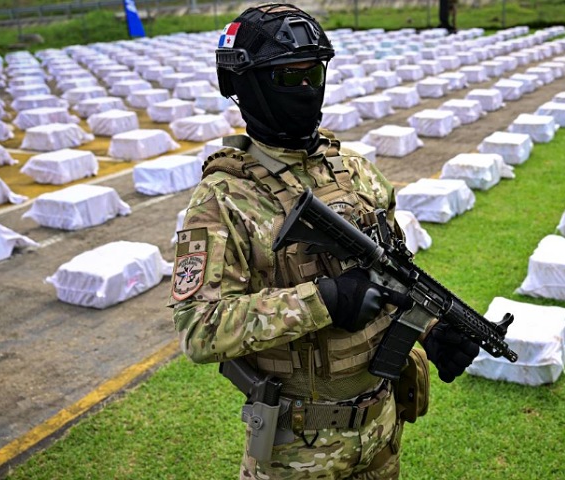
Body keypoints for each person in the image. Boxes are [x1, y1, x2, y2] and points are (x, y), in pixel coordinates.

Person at [169, 4, 479, 478]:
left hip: (380, 428)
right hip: (296, 450)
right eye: (289, 77)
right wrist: (324, 301)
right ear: (247, 85)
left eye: (314, 72)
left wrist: (432, 327)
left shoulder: (355, 173)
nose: (308, 88)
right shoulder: (223, 198)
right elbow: (200, 328)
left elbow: (395, 273)